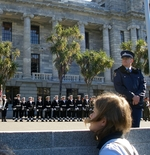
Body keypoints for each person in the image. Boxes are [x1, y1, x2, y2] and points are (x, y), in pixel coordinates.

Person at [113, 50, 146, 127]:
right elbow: (119, 87)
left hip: (137, 104)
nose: (124, 60)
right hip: (125, 104)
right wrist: (132, 96)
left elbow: (143, 85)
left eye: (127, 58)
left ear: (132, 60)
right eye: (123, 58)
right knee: (124, 127)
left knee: (135, 127)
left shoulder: (137, 72)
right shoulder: (118, 72)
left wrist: (138, 96)